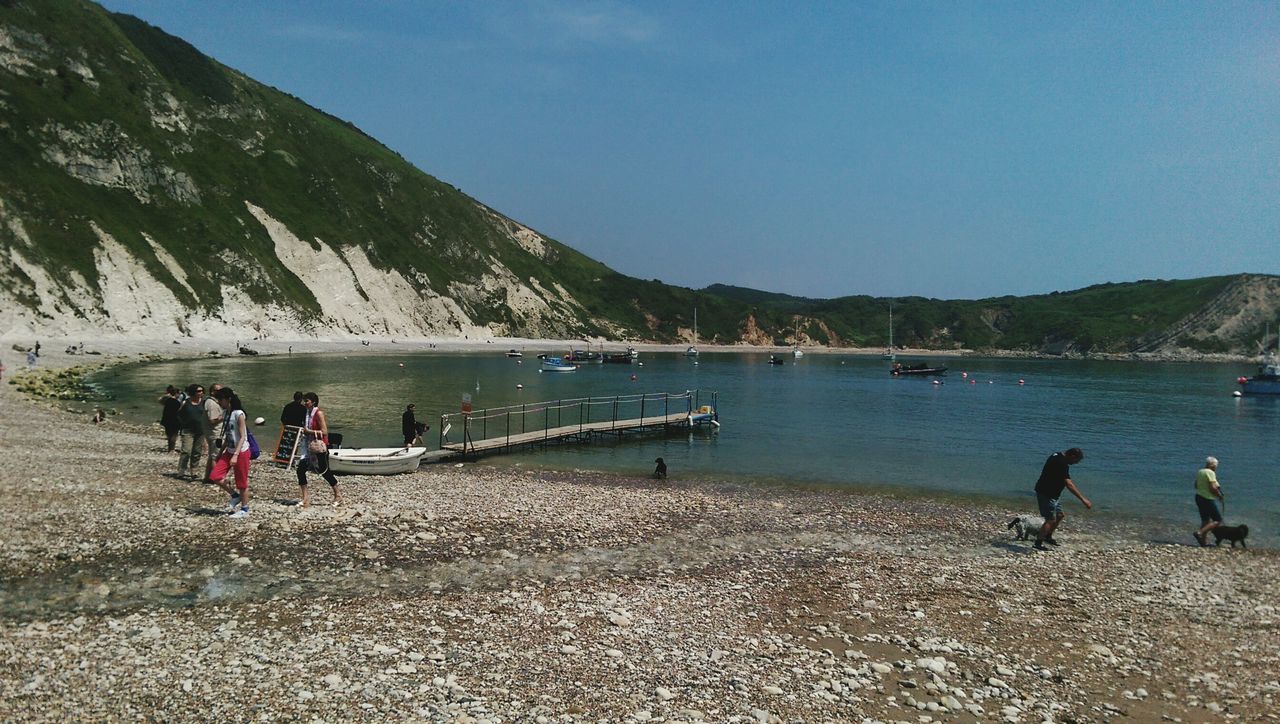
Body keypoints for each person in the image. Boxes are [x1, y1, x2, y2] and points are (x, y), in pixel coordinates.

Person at [1033, 447, 1091, 550]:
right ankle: (1038, 543)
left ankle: (1047, 536)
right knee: (1050, 519)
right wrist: (1083, 499)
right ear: (1072, 456)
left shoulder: (1056, 455)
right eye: (1076, 461)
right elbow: (1069, 484)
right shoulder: (1061, 464)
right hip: (1046, 493)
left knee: (1060, 515)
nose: (1075, 463)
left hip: (1054, 494)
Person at [208, 387, 252, 518]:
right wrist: (221, 453)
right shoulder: (227, 413)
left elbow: (243, 436)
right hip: (229, 450)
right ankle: (234, 495)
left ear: (228, 399)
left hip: (241, 451)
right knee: (215, 476)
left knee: (242, 482)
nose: (219, 403)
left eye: (220, 400)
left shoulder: (239, 414)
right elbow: (228, 436)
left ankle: (245, 510)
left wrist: (236, 455)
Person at [297, 391, 341, 508]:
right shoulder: (307, 413)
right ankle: (305, 498)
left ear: (313, 402)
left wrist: (309, 431)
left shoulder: (319, 413)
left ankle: (338, 495)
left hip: (319, 447)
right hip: (308, 447)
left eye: (307, 401)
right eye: (304, 401)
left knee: (325, 471)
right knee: (300, 470)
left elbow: (325, 432)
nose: (305, 403)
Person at [177, 384, 209, 479]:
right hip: (187, 430)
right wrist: (182, 424)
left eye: (202, 391)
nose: (201, 393)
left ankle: (194, 470)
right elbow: (178, 414)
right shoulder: (185, 403)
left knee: (197, 451)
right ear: (193, 392)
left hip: (200, 430)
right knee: (186, 451)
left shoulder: (204, 403)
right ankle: (181, 470)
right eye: (198, 391)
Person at [1193, 456, 1225, 547]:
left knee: (1205, 520)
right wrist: (1219, 496)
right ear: (1213, 465)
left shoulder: (1200, 471)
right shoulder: (1210, 472)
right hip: (1207, 498)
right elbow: (1213, 487)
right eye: (1216, 466)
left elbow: (1196, 485)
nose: (1216, 468)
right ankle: (1199, 533)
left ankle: (1203, 542)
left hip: (1198, 497)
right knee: (1217, 520)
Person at [201, 383, 225, 482]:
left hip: (213, 432)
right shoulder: (212, 404)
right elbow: (212, 421)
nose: (221, 392)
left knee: (212, 456)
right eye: (218, 390)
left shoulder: (212, 402)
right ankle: (216, 479)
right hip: (215, 433)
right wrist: (224, 417)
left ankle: (208, 477)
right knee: (216, 456)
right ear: (212, 392)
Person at [158, 385, 183, 452]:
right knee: (174, 435)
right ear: (176, 393)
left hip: (166, 419)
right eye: (179, 394)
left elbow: (160, 400)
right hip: (174, 419)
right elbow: (179, 411)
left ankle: (170, 448)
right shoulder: (177, 402)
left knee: (169, 434)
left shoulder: (167, 400)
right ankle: (172, 449)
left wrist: (166, 395)